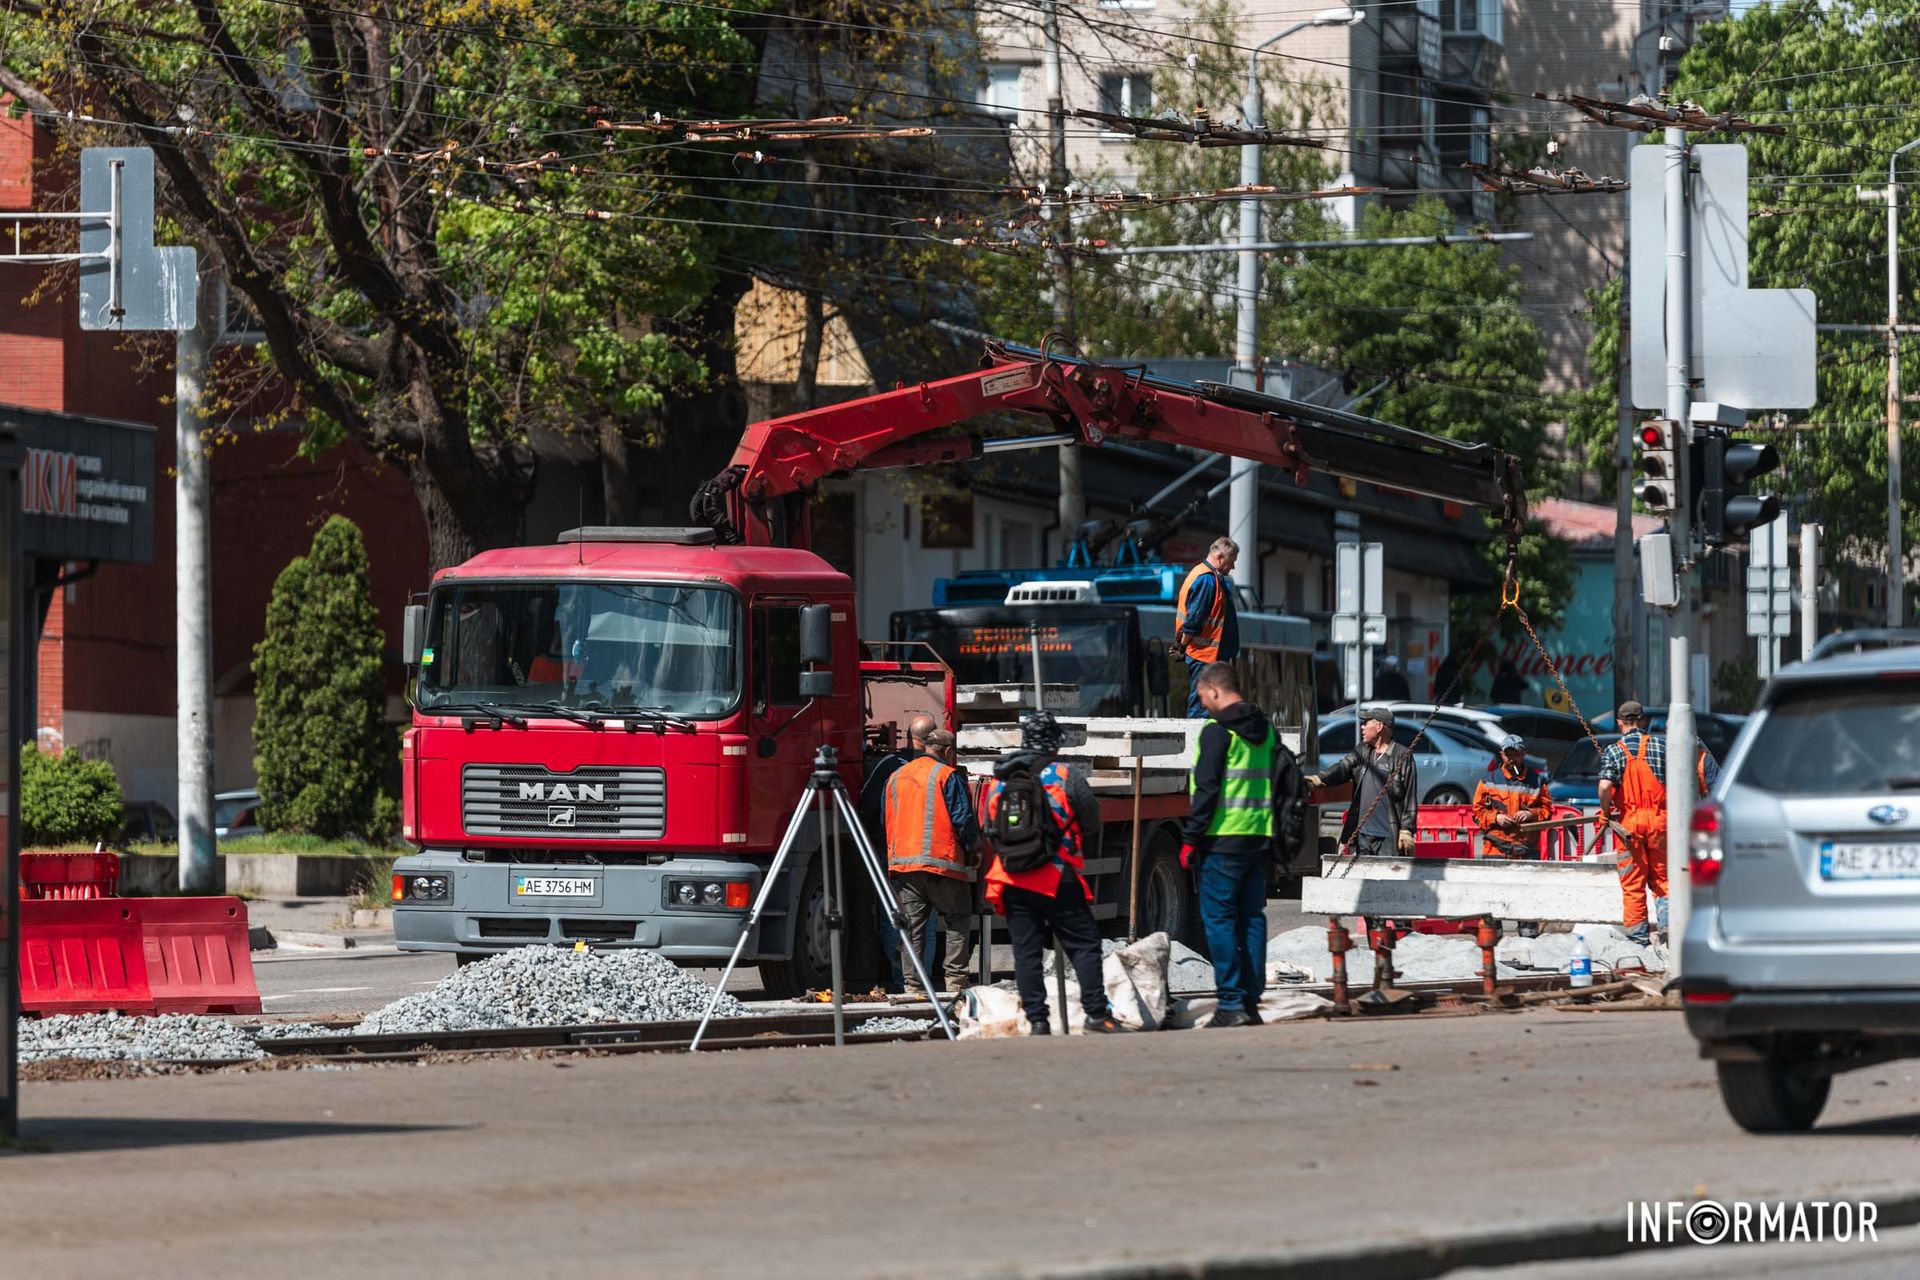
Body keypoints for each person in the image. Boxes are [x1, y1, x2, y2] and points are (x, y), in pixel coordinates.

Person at [981, 712, 1127, 1035]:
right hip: (1056, 876)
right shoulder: (1063, 775)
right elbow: (1090, 820)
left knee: (1026, 951)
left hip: (1012, 878)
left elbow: (989, 828)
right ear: (1054, 744)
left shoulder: (1000, 779)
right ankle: (1096, 1013)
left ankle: (1037, 1020)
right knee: (1084, 944)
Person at [1181, 663, 1304, 1029]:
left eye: (1203, 698)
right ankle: (1250, 1002)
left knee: (1218, 921)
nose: (1203, 705)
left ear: (1215, 691)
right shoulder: (1266, 730)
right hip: (1258, 839)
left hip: (1221, 841)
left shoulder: (1217, 733)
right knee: (1252, 918)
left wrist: (1190, 838)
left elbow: (1207, 790)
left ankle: (1231, 1002)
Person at [1595, 700, 1719, 944]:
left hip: (1628, 826)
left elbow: (1604, 787)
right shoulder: (1662, 747)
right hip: (1662, 823)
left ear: (1619, 723)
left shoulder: (1614, 751)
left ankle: (1638, 940)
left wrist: (1605, 811)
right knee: (1664, 880)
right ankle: (1668, 931)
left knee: (1633, 884)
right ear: (1643, 721)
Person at [883, 722, 981, 996]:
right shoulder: (946, 775)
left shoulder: (896, 776)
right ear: (948, 751)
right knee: (957, 919)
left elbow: (886, 818)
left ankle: (913, 987)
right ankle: (956, 983)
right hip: (942, 863)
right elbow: (962, 819)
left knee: (911, 929)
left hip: (904, 865)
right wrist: (975, 849)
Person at [859, 713, 939, 991]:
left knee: (896, 917)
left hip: (894, 854)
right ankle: (923, 982)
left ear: (908, 736)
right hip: (933, 856)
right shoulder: (942, 771)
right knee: (926, 921)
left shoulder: (889, 766)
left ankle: (902, 983)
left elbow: (866, 807)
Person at [1305, 706, 1418, 857]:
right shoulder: (1363, 750)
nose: (1362, 727)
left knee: (1387, 878)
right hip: (1363, 834)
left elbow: (1410, 797)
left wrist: (1406, 830)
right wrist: (1319, 779)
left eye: (1366, 723)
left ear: (1379, 726)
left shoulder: (1402, 756)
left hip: (1388, 837)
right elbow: (1343, 767)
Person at [1175, 537, 1241, 718]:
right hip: (1204, 655)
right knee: (1202, 707)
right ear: (1219, 557)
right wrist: (1183, 644)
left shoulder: (1207, 577)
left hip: (1206, 655)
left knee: (1207, 706)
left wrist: (1184, 645)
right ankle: (1197, 744)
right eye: (1231, 562)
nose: (1232, 567)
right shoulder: (1207, 580)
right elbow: (1195, 619)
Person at [1472, 733, 1552, 859]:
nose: (1511, 759)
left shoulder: (1537, 781)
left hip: (1527, 851)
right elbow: (1477, 813)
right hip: (1495, 850)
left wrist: (1531, 814)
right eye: (1508, 754)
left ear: (1523, 754)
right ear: (1501, 754)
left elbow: (1547, 810)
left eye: (1516, 754)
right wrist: (1496, 818)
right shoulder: (1488, 781)